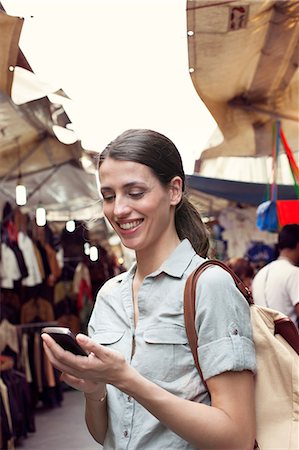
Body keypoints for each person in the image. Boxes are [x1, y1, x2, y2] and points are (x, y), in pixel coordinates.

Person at [42, 129, 256, 450]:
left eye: (135, 192)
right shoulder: (109, 295)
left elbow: (236, 436)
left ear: (174, 191)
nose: (119, 210)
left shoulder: (209, 285)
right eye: (110, 196)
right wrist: (94, 388)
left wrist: (126, 379)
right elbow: (104, 434)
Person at [252, 223, 299, 330]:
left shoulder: (260, 274)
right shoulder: (294, 273)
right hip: (288, 344)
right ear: (297, 244)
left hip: (266, 342)